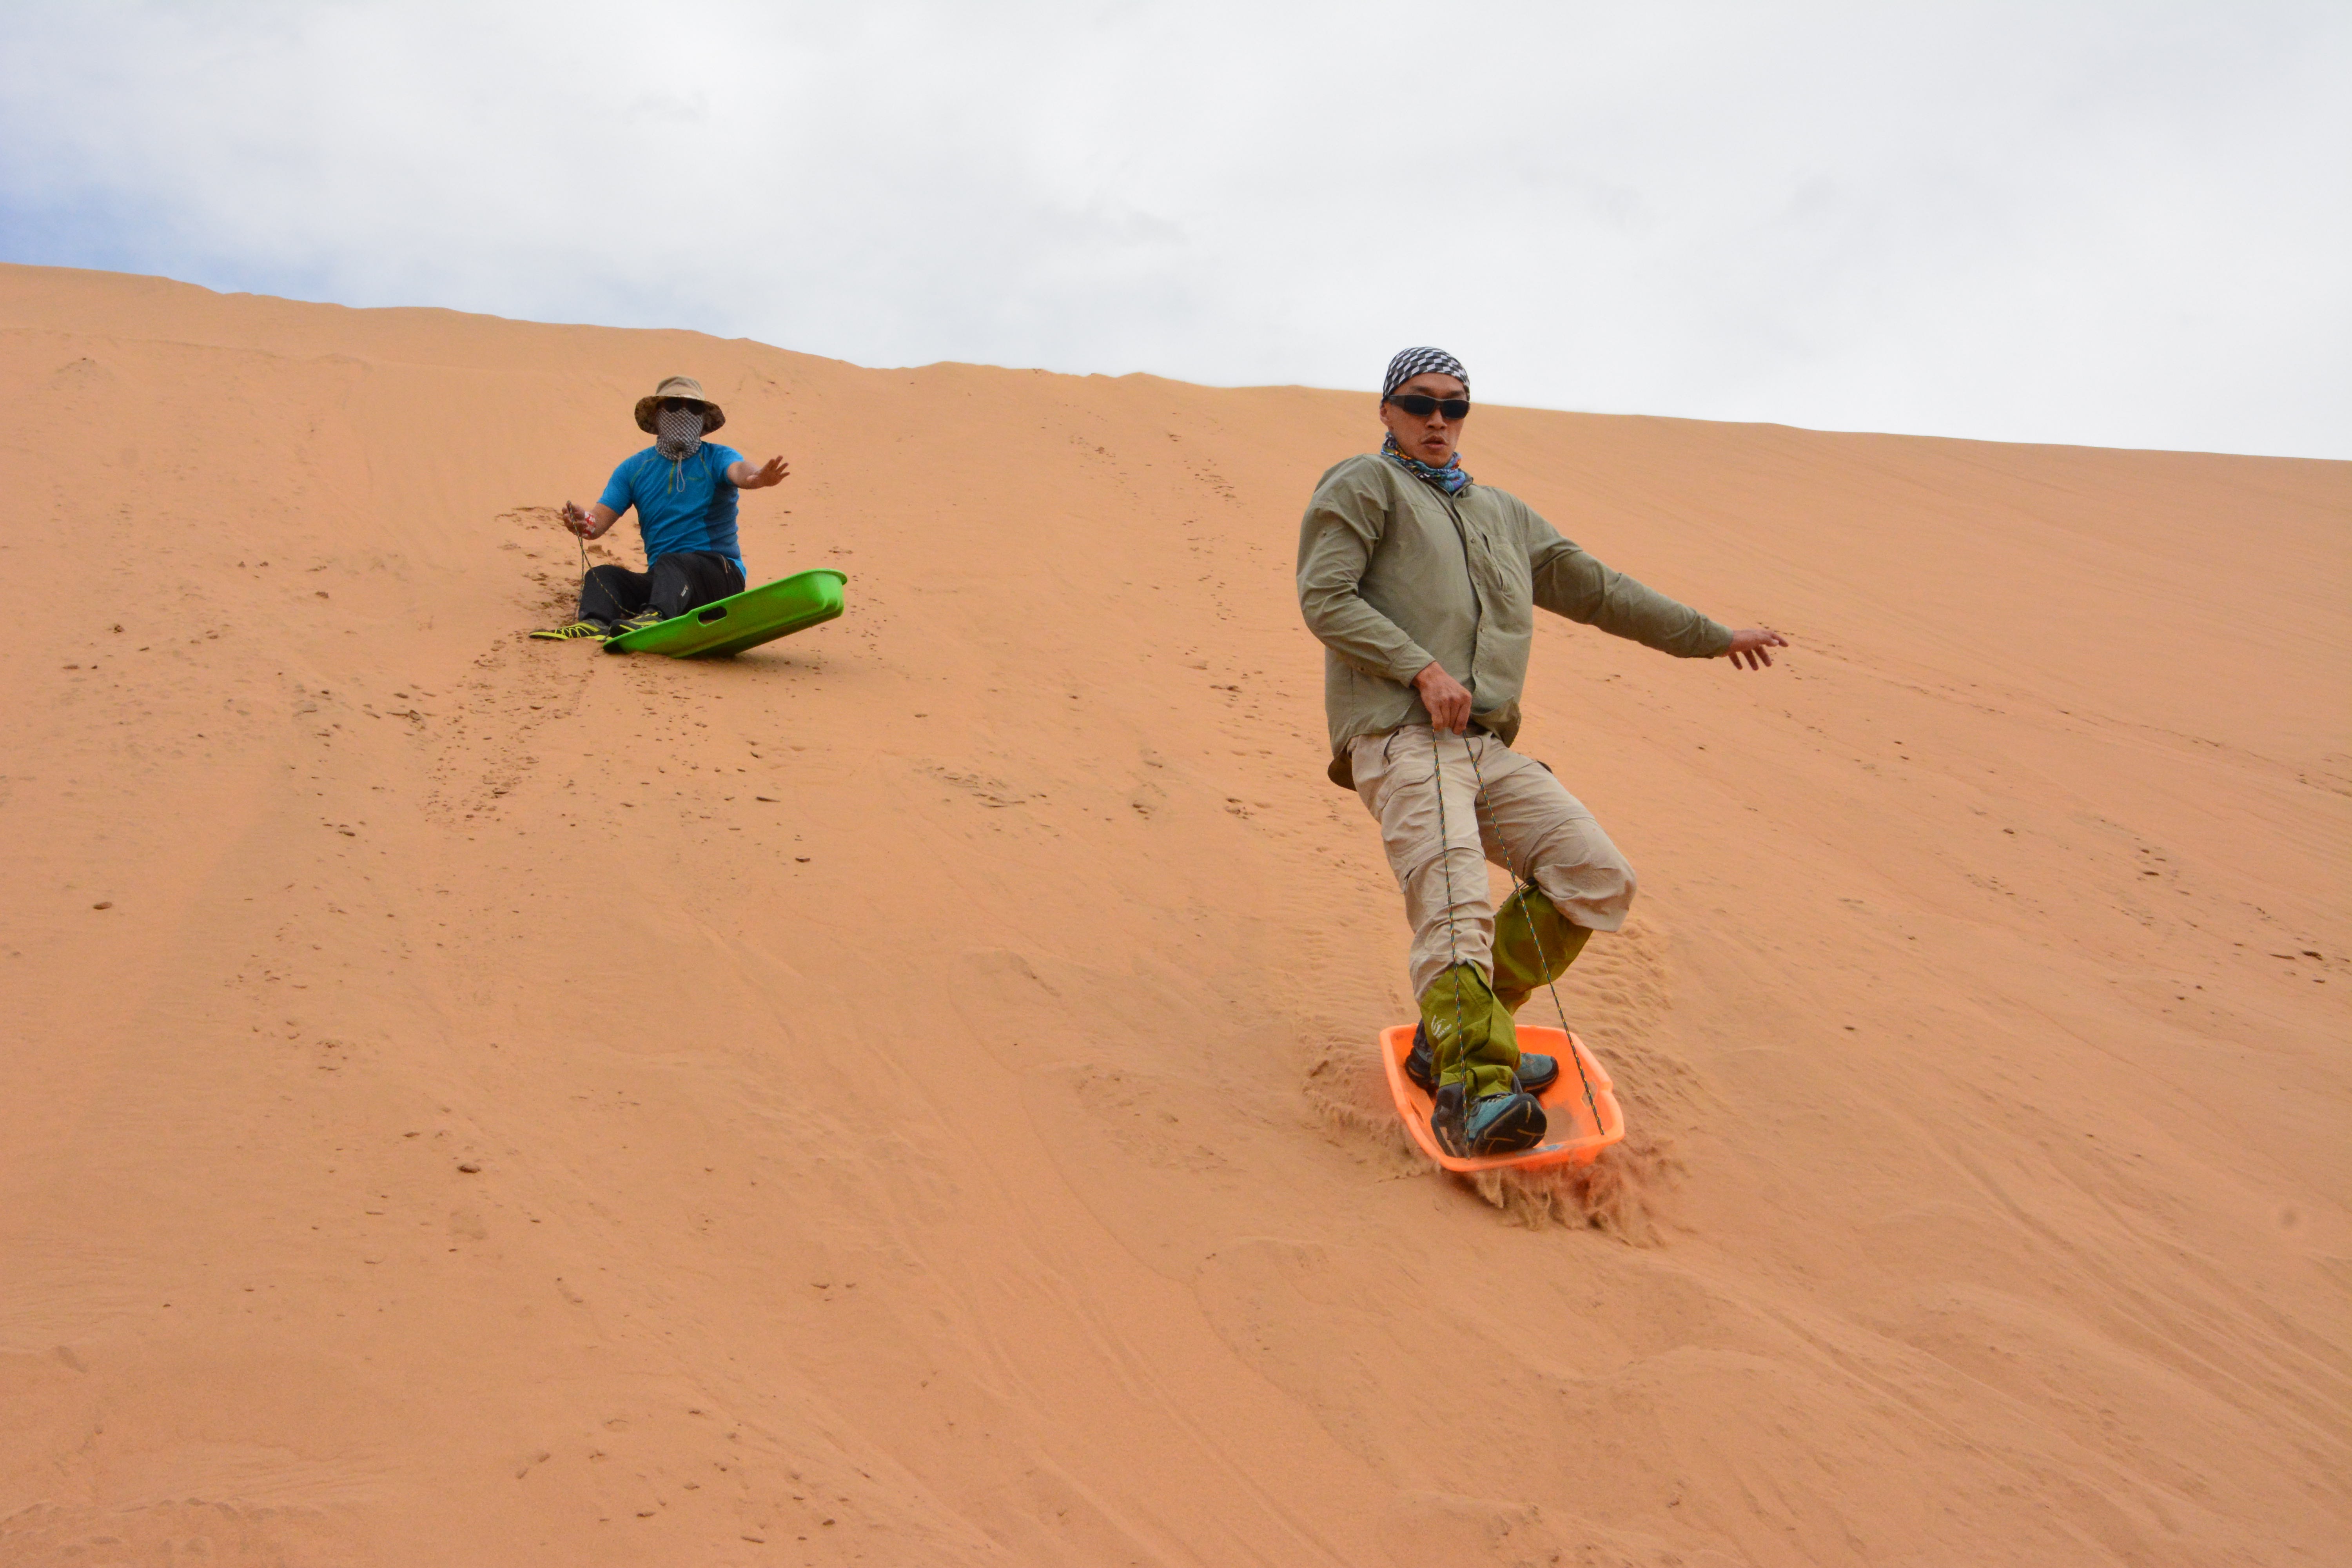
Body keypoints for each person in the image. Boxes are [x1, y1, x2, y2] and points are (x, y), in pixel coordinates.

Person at [1297, 347, 1786, 1157]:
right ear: (1386, 410)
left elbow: (1599, 590)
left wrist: (1712, 637)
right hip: (1399, 734)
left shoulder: (1505, 517)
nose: (1438, 420)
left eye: (1455, 406)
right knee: (1457, 900)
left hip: (1482, 744)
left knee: (1593, 876)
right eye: (1419, 403)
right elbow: (1325, 595)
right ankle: (1473, 1085)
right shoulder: (1364, 485)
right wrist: (1418, 668)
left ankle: (1454, 1031)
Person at [532, 375, 790, 641]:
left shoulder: (717, 457)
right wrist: (581, 520)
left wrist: (756, 478)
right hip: (667, 583)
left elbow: (739, 471)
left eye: (695, 409)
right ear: (657, 415)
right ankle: (596, 623)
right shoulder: (634, 469)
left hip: (720, 579)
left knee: (672, 562)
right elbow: (595, 525)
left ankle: (657, 618)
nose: (685, 414)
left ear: (703, 421)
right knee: (602, 575)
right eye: (674, 406)